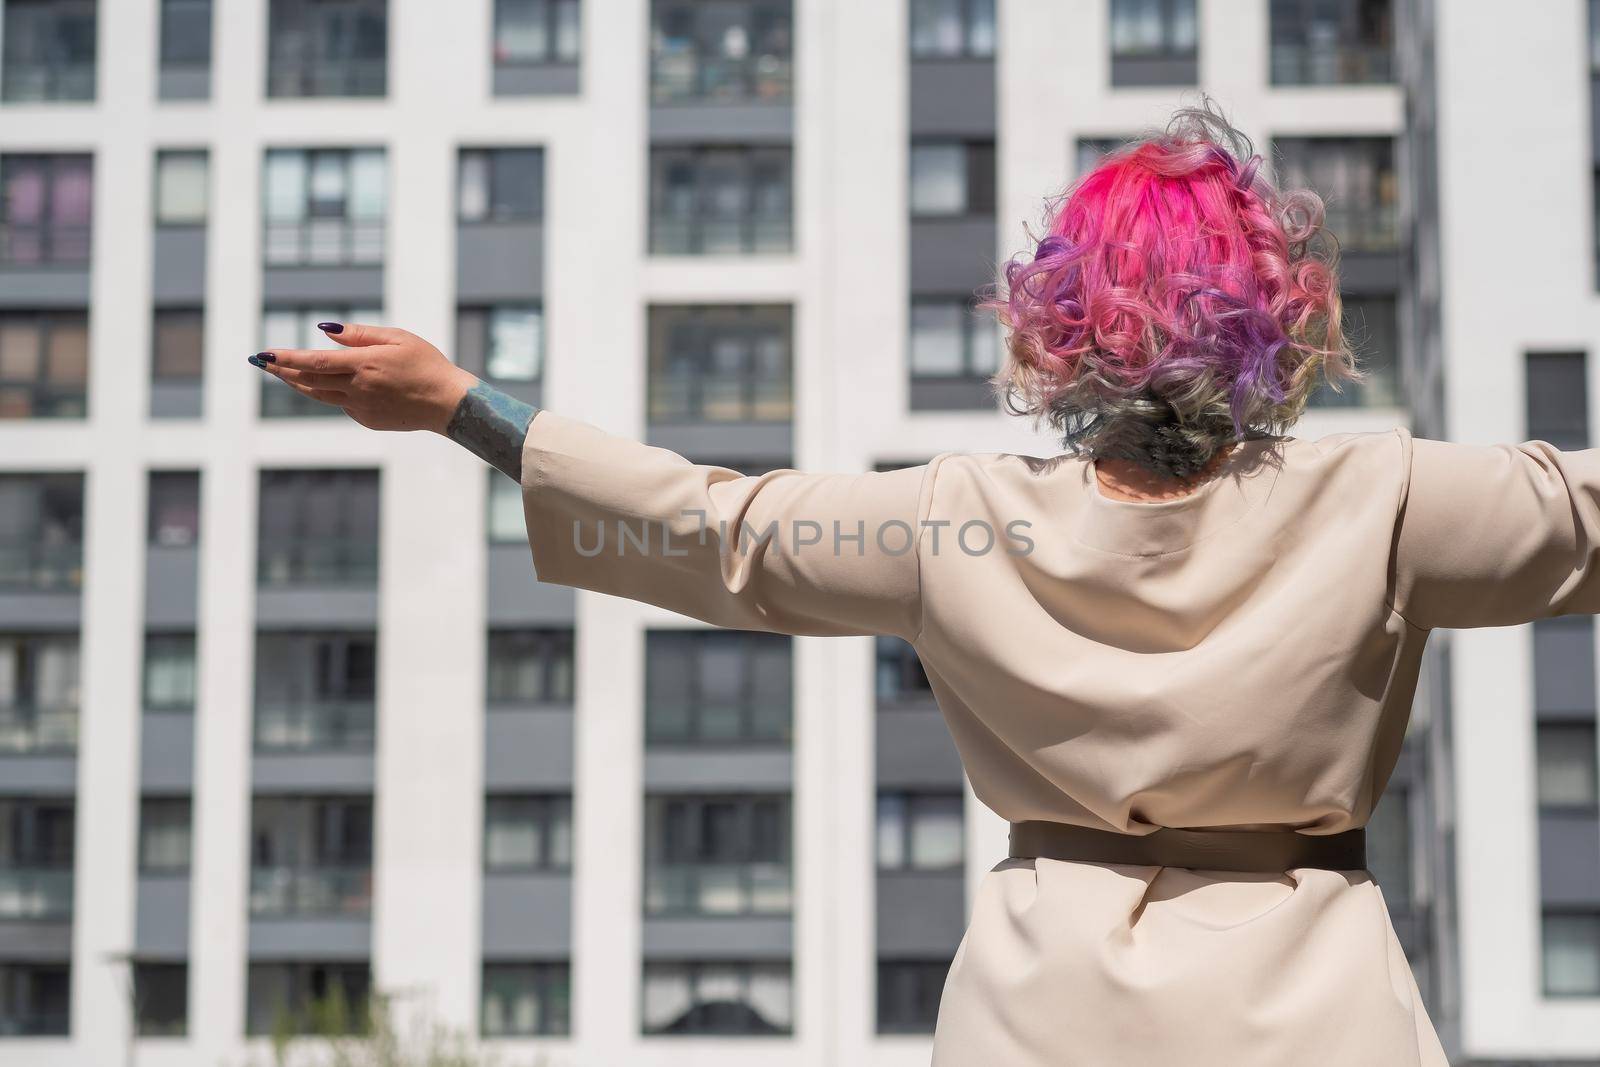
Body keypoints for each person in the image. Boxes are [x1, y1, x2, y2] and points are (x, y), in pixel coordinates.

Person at [250, 103, 1593, 1065]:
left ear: (1062, 318)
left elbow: (715, 530)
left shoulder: (960, 521)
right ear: (1279, 309)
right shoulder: (1388, 502)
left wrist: (459, 407)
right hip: (1321, 1019)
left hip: (1041, 1018)